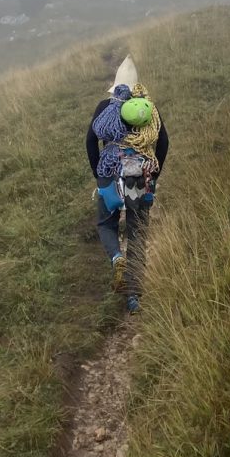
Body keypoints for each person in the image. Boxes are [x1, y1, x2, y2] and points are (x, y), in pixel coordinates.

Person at [86, 75, 169, 313]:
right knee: (137, 233)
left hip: (110, 172)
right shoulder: (148, 109)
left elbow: (90, 141)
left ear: (115, 88)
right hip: (140, 173)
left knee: (105, 224)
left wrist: (99, 173)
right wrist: (154, 176)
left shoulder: (105, 107)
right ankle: (134, 297)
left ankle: (116, 258)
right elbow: (163, 142)